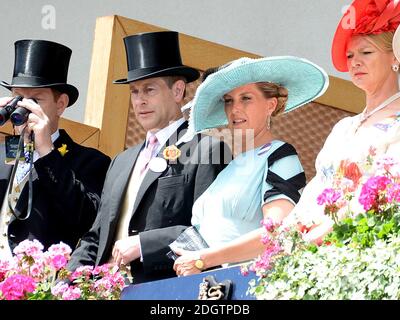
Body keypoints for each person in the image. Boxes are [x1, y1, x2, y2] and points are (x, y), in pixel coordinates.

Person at [67, 31, 230, 284]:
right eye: (134, 91)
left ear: (178, 91)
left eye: (149, 89)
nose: (140, 101)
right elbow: (96, 237)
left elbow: (207, 234)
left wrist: (144, 245)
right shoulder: (121, 161)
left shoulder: (207, 149)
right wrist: (65, 283)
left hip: (163, 290)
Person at [172, 55, 329, 276]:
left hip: (246, 283)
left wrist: (204, 259)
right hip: (207, 285)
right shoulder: (229, 168)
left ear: (270, 105)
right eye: (229, 100)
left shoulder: (280, 155)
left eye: (246, 98)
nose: (235, 109)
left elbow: (276, 233)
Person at [282, 0, 400, 243]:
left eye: (366, 52)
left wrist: (318, 236)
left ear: (395, 58)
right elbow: (317, 188)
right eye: (350, 55)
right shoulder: (343, 127)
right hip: (319, 246)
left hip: (367, 245)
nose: (355, 61)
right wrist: (288, 234)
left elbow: (384, 192)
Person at [0, 39, 111, 258]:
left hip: (39, 283)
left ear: (60, 104)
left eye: (35, 100)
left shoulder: (90, 161)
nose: (25, 108)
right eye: (19, 99)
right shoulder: (2, 154)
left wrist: (47, 152)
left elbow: (86, 220)